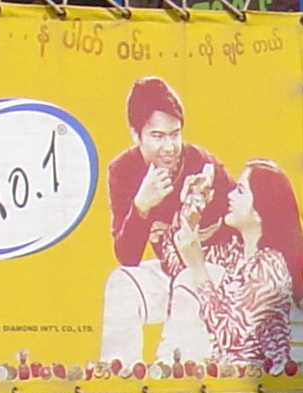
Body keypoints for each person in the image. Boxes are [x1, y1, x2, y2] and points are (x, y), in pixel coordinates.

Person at [98, 76, 230, 371]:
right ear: (136, 134)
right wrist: (141, 207)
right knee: (121, 282)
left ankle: (172, 373)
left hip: (211, 276)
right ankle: (118, 375)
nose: (170, 146)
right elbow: (127, 257)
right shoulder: (122, 170)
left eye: (175, 134)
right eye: (158, 136)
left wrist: (204, 217)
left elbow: (242, 225)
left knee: (186, 281)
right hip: (170, 271)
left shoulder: (201, 162)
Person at [169, 159, 303, 372]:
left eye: (240, 191)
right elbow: (177, 263)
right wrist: (190, 212)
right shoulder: (234, 254)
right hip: (218, 380)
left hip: (256, 388)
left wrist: (198, 266)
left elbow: (232, 336)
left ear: (261, 210)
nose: (230, 196)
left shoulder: (271, 267)